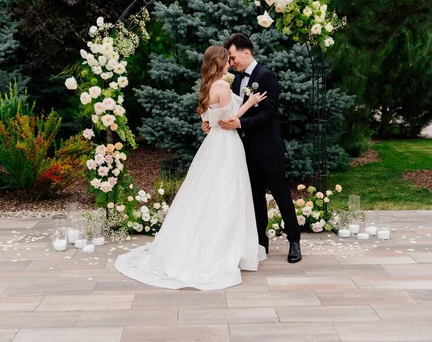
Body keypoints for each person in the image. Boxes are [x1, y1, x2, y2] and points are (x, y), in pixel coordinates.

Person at [115, 46, 267, 290]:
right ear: (219, 63)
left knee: (207, 191)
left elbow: (208, 120)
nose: (230, 64)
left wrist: (209, 124)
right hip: (226, 145)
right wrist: (249, 102)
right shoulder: (224, 87)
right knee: (227, 194)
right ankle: (222, 248)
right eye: (227, 61)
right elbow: (229, 120)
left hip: (212, 144)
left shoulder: (207, 86)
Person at [211, 33, 302, 263]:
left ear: (246, 52)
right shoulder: (238, 79)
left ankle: (294, 241)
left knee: (281, 194)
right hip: (246, 149)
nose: (231, 63)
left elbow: (269, 113)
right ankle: (261, 243)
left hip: (269, 149)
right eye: (229, 60)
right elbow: (230, 109)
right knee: (255, 198)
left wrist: (240, 123)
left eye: (232, 58)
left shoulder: (267, 76)